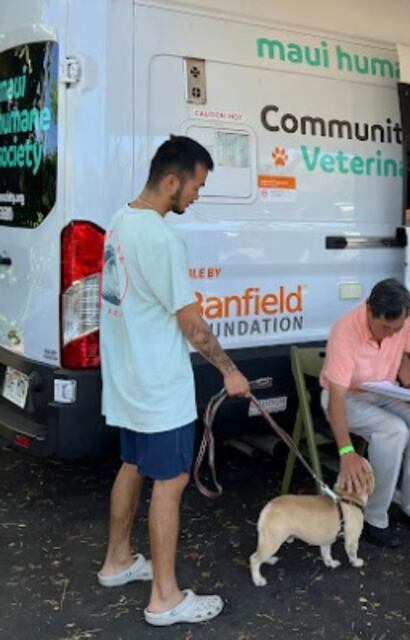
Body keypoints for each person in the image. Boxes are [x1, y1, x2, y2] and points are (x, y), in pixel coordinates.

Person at [97, 135, 250, 626]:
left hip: (126, 378)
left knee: (131, 463)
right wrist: (230, 371)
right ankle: (164, 597)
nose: (197, 196)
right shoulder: (161, 238)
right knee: (171, 480)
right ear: (171, 181)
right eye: (197, 186)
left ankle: (117, 561)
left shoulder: (120, 221)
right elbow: (193, 325)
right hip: (158, 386)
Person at [320, 279, 410, 547]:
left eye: (395, 328)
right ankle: (374, 517)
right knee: (393, 430)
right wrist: (345, 451)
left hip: (384, 390)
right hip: (347, 396)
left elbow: (402, 357)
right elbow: (336, 398)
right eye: (385, 327)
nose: (390, 333)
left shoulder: (400, 321)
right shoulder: (345, 330)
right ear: (369, 311)